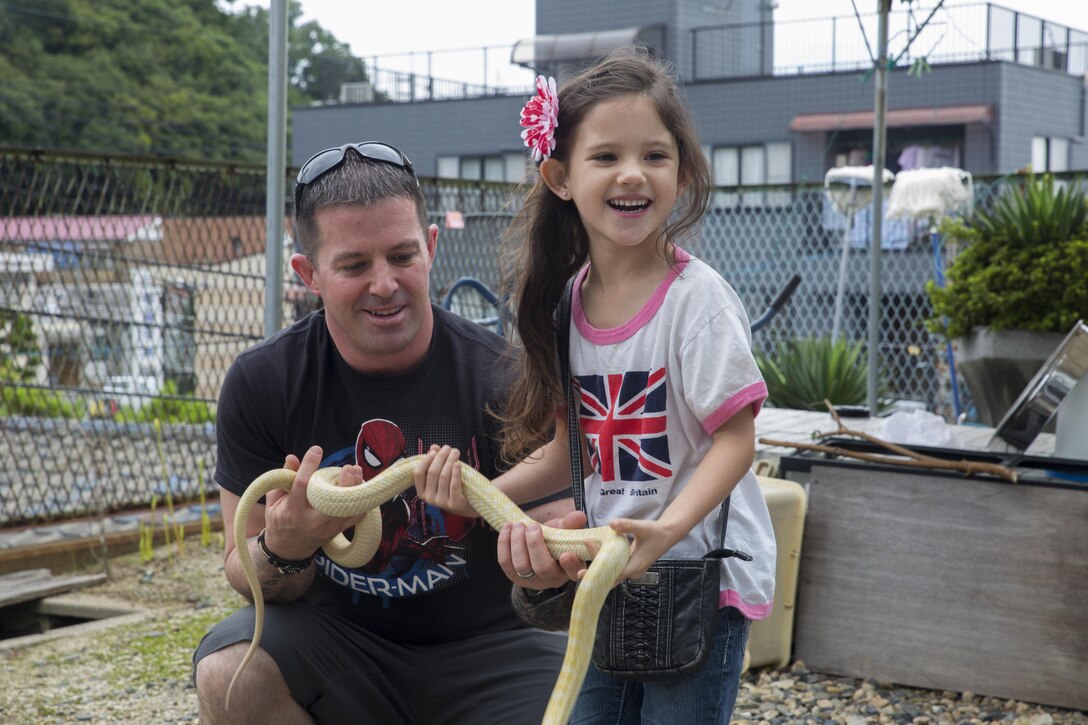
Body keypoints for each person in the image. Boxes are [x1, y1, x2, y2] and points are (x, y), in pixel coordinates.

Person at [423, 47, 778, 724]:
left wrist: (666, 529)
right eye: (607, 156)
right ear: (559, 175)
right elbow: (567, 451)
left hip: (696, 573)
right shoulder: (567, 307)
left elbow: (736, 439)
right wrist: (475, 495)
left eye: (655, 155)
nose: (633, 174)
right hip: (612, 568)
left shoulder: (696, 303)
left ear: (681, 169)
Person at [191, 141, 571, 725]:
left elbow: (554, 545)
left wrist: (543, 566)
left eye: (401, 256)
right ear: (309, 274)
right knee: (229, 673)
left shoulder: (509, 376)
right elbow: (247, 577)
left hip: (497, 646)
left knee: (588, 697)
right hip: (340, 644)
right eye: (354, 265)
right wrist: (285, 548)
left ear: (432, 248)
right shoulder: (262, 382)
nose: (385, 284)